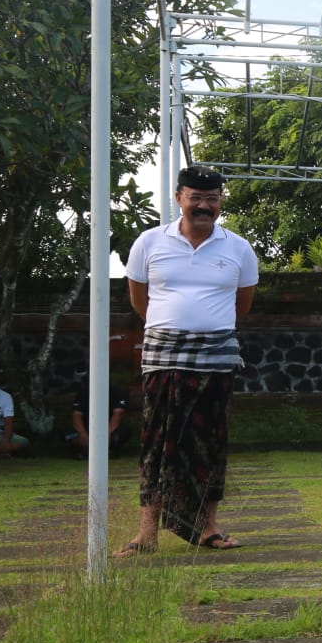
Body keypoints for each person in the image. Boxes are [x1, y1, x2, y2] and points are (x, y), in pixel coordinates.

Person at [118, 164, 259, 555]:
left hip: (217, 358)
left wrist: (204, 326)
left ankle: (207, 527)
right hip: (163, 357)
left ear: (220, 202)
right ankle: (146, 533)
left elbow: (241, 306)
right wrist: (174, 327)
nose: (203, 205)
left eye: (211, 199)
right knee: (157, 442)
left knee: (210, 443)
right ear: (178, 198)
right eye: (195, 197)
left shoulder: (239, 248)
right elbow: (139, 300)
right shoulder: (148, 242)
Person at [67, 382, 132, 458]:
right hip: (86, 429)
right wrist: (82, 433)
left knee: (125, 432)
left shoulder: (115, 392)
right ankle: (81, 450)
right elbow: (76, 414)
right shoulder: (84, 392)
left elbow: (118, 414)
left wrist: (107, 434)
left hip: (109, 429)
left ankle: (110, 449)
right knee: (67, 435)